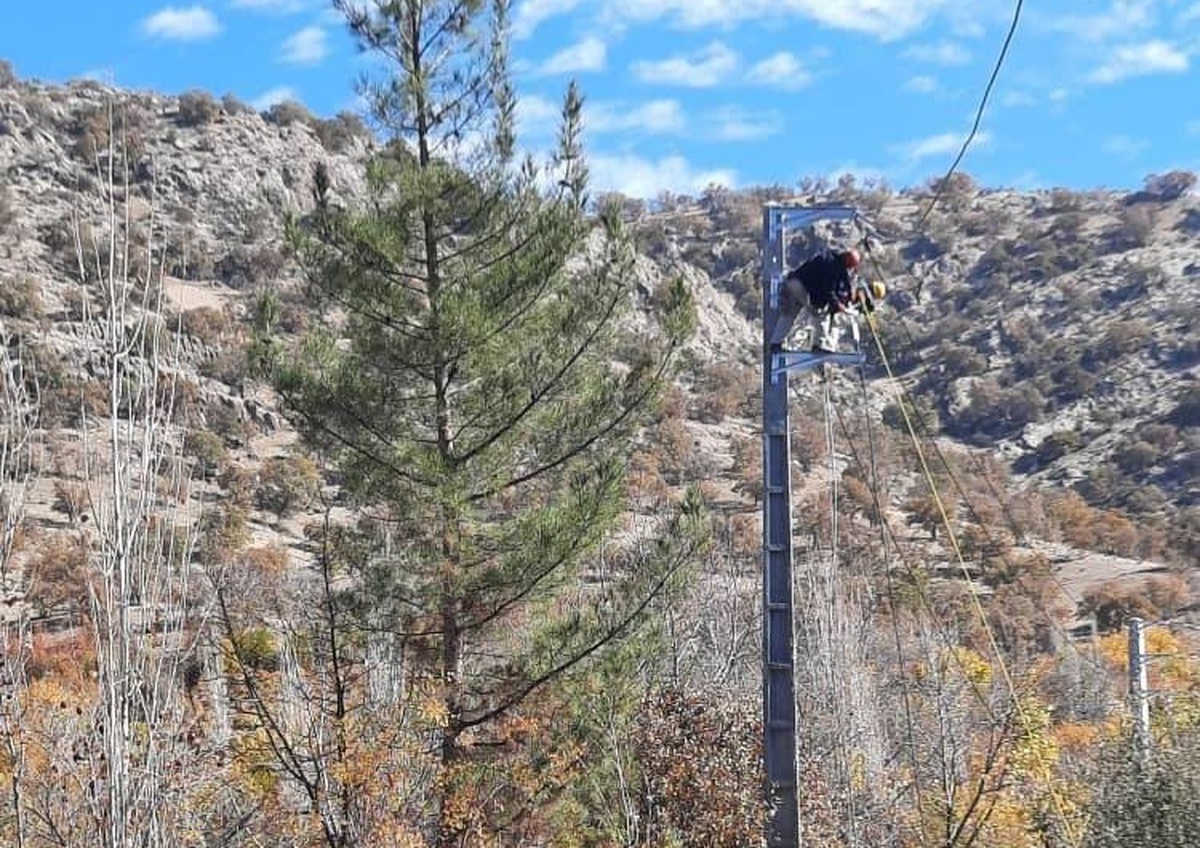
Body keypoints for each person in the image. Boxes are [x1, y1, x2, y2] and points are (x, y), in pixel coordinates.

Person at [767, 247, 885, 353]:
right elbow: (831, 291)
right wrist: (842, 306)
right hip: (802, 288)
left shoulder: (830, 258)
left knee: (791, 315)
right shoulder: (835, 269)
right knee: (817, 314)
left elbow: (835, 292)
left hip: (798, 284)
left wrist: (844, 302)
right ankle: (817, 346)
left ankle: (776, 344)